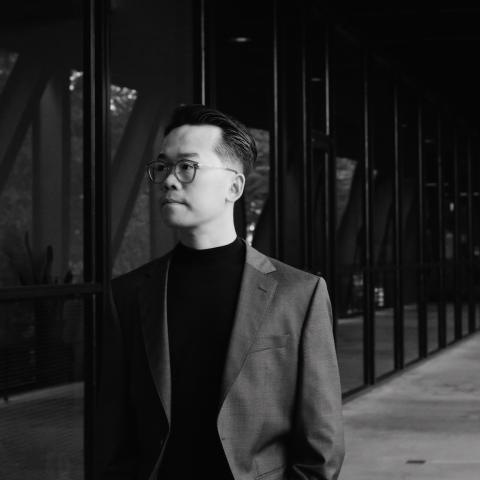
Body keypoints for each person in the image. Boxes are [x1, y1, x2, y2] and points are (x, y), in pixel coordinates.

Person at [94, 104, 345, 480]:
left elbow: (321, 447)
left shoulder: (299, 294)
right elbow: (112, 439)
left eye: (187, 166)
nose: (169, 180)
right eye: (162, 167)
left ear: (234, 186)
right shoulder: (127, 295)